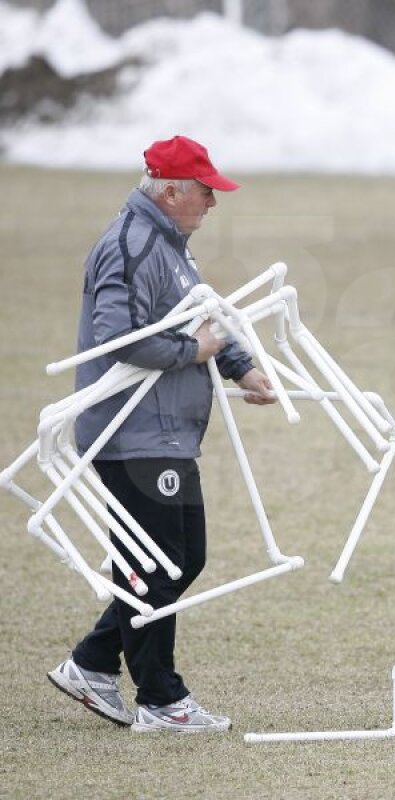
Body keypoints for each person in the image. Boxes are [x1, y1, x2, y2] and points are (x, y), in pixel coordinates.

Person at [46, 135, 276, 734]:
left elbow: (203, 318)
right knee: (159, 562)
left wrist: (242, 367)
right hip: (132, 430)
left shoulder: (171, 246)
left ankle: (93, 662)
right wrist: (193, 350)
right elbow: (118, 338)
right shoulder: (130, 245)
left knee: (181, 557)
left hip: (167, 432)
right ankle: (160, 698)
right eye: (205, 192)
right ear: (170, 191)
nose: (212, 203)